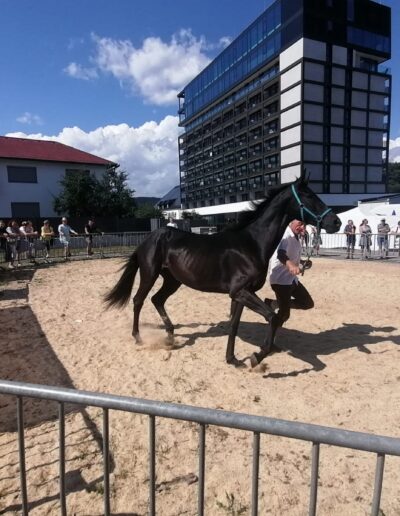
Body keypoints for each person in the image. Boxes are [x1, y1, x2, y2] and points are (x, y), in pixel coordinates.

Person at [263, 219, 314, 353]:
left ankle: (273, 303)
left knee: (307, 303)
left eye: (304, 224)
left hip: (291, 279)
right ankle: (269, 343)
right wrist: (291, 265)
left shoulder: (295, 235)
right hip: (280, 280)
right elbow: (281, 254)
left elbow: (291, 254)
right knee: (284, 315)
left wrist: (301, 262)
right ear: (291, 221)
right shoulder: (285, 235)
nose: (302, 227)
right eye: (300, 223)